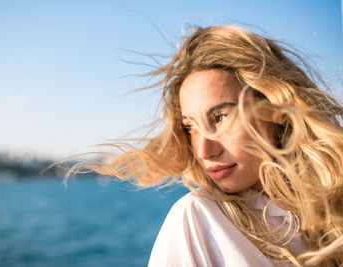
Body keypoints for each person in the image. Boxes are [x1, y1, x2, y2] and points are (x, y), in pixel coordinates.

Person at [67, 25, 343, 266]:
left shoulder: (335, 207)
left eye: (220, 117)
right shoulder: (197, 219)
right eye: (190, 127)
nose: (203, 151)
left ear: (275, 109)